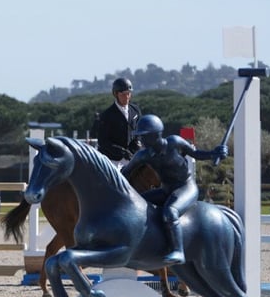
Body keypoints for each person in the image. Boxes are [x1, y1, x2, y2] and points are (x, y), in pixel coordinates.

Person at [120, 114, 228, 265]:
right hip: (166, 190)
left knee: (170, 211)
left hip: (186, 187)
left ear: (155, 135)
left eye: (143, 137)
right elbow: (125, 173)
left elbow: (196, 153)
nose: (140, 140)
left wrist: (215, 153)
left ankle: (178, 250)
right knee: (138, 205)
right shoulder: (143, 155)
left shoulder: (174, 142)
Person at [95, 77, 142, 167]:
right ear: (116, 94)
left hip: (132, 157)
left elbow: (139, 131)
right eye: (123, 94)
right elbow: (103, 141)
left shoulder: (135, 110)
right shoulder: (107, 115)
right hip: (113, 160)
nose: (127, 97)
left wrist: (137, 143)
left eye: (128, 94)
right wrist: (121, 151)